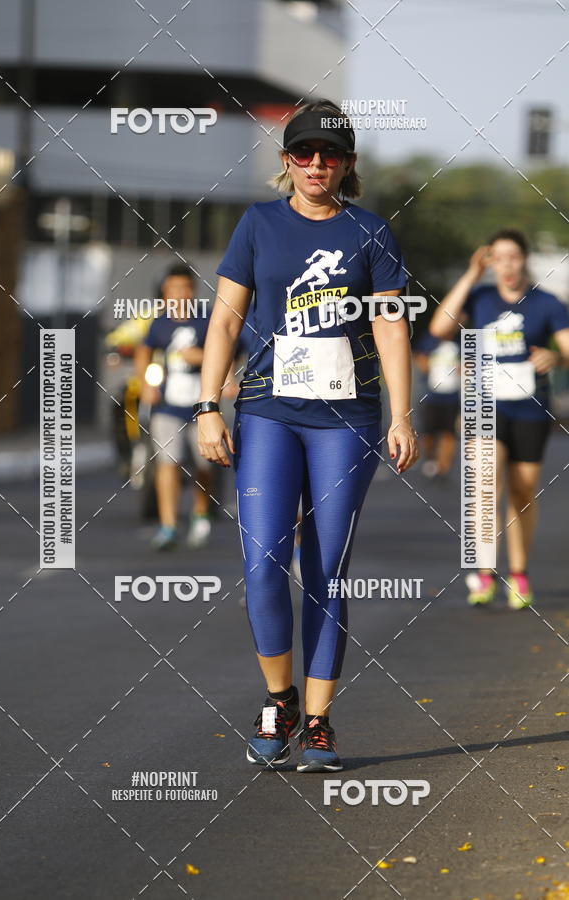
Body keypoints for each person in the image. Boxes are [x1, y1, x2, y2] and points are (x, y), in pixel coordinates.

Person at [195, 99, 419, 772]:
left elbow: (389, 326)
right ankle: (279, 700)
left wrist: (402, 415)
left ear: (347, 165)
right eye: (304, 153)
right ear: (286, 160)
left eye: (330, 155)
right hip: (268, 409)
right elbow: (225, 320)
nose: (316, 164)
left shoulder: (370, 231)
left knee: (326, 568)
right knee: (263, 560)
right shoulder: (258, 223)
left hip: (347, 418)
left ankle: (319, 721)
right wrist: (208, 404)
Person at [430, 230, 569, 608]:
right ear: (489, 262)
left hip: (529, 408)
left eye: (513, 257)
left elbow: (567, 348)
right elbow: (440, 328)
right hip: (483, 405)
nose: (507, 265)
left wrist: (556, 357)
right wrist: (471, 274)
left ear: (524, 259)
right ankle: (485, 571)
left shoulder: (546, 303)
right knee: (486, 483)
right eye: (498, 257)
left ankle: (519, 573)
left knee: (522, 491)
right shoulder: (479, 298)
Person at [135, 264, 214, 550]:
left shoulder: (206, 319)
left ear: (193, 290)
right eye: (173, 288)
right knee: (168, 462)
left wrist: (201, 357)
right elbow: (144, 351)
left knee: (204, 464)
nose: (180, 293)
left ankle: (200, 513)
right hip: (168, 406)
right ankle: (168, 525)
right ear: (165, 292)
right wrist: (146, 384)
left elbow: (228, 350)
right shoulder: (159, 322)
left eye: (185, 287)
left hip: (202, 406)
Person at [413, 332, 460, 478]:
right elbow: (420, 359)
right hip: (431, 396)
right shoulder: (429, 341)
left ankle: (443, 467)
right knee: (428, 432)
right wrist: (427, 365)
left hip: (452, 396)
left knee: (449, 433)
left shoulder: (459, 342)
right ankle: (430, 459)